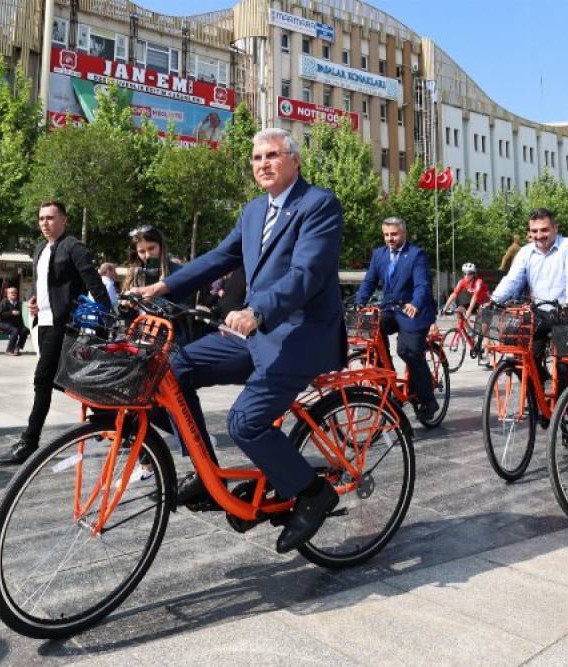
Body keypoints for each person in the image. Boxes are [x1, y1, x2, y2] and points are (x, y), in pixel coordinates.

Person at [132, 128, 346, 554]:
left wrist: (258, 311)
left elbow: (305, 274)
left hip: (299, 334)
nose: (262, 163)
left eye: (272, 155)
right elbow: (219, 257)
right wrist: (164, 287)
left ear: (294, 160)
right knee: (172, 369)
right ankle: (206, 473)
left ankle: (312, 492)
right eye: (256, 157)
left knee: (244, 422)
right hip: (254, 333)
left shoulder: (318, 204)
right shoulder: (253, 211)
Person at [0, 201, 110, 466]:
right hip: (44, 323)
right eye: (41, 219)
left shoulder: (74, 247)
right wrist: (32, 299)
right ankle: (109, 415)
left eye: (50, 218)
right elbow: (40, 283)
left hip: (66, 323)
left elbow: (94, 284)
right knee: (61, 379)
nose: (44, 223)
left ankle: (29, 441)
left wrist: (109, 318)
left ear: (64, 220)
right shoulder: (40, 249)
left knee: (43, 378)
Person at [355, 217, 439, 421]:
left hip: (413, 311)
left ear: (403, 233)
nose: (389, 239)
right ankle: (388, 377)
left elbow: (422, 284)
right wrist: (359, 302)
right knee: (371, 332)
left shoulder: (416, 254)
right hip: (390, 308)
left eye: (394, 234)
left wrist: (415, 303)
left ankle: (428, 399)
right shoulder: (379, 254)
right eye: (386, 235)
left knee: (408, 351)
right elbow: (369, 281)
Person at [490, 208, 568, 392]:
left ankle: (567, 404)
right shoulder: (525, 252)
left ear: (555, 228)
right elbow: (512, 279)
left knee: (564, 366)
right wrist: (494, 300)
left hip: (565, 312)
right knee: (522, 357)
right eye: (534, 231)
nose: (539, 235)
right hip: (538, 313)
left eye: (544, 230)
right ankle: (537, 398)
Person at [0, 286, 29, 356]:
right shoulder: (4, 302)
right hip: (2, 323)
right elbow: (0, 315)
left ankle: (18, 348)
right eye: (12, 293)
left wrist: (22, 326)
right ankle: (9, 350)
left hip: (14, 324)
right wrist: (11, 313)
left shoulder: (18, 303)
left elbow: (20, 317)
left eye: (15, 293)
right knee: (14, 331)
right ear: (8, 294)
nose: (14, 294)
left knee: (25, 330)